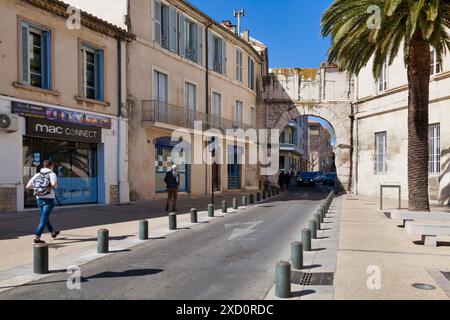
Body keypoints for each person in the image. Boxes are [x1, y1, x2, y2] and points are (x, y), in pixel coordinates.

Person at [26, 160, 60, 244]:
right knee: (43, 219)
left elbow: (28, 186)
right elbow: (54, 185)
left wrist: (39, 188)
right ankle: (37, 238)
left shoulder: (37, 174)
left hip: (39, 199)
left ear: (43, 166)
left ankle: (53, 233)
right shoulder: (52, 174)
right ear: (51, 166)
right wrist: (50, 187)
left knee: (45, 217)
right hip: (48, 200)